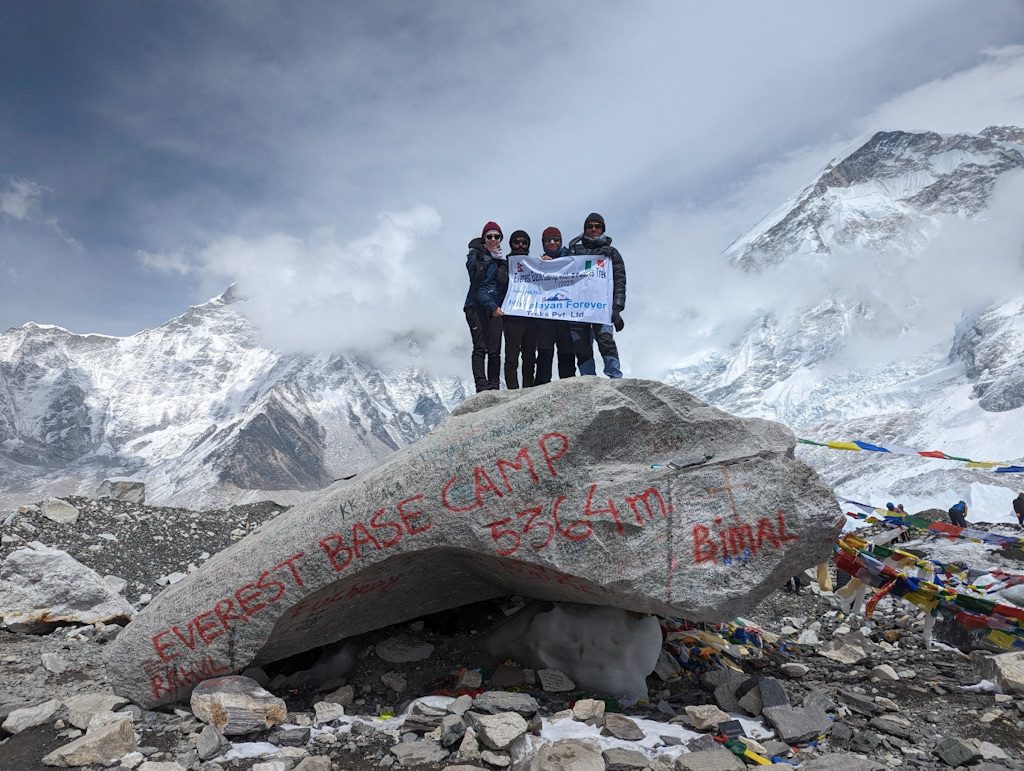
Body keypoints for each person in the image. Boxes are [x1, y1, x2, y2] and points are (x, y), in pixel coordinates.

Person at [566, 212, 625, 378]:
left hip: (603, 307)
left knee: (606, 341)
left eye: (597, 226)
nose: (593, 229)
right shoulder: (573, 252)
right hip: (578, 308)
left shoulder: (611, 253)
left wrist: (617, 307)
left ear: (603, 229)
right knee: (581, 345)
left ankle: (615, 377)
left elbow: (620, 281)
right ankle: (588, 379)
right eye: (590, 226)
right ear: (585, 229)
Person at [463, 221, 506, 391]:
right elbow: (478, 287)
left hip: (495, 308)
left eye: (497, 236)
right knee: (480, 348)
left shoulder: (502, 261)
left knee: (495, 350)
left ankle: (494, 386)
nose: (493, 239)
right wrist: (492, 307)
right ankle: (482, 387)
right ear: (484, 239)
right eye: (489, 236)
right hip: (476, 307)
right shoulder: (476, 258)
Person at [534, 226, 577, 385]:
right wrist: (541, 265)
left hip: (567, 316)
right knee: (544, 355)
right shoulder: (537, 264)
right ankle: (539, 393)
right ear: (543, 243)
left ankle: (569, 392)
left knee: (567, 355)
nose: (552, 243)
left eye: (556, 240)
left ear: (561, 241)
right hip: (545, 318)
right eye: (548, 240)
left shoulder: (573, 260)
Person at [501, 230, 537, 389]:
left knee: (530, 358)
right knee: (511, 358)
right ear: (511, 244)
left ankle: (528, 390)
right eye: (517, 242)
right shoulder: (503, 264)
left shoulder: (537, 265)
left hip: (531, 317)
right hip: (512, 317)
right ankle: (512, 393)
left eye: (524, 242)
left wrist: (547, 264)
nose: (521, 245)